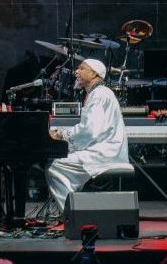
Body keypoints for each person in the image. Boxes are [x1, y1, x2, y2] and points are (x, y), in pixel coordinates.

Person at [46, 58, 129, 211]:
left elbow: (89, 130)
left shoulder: (99, 94)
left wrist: (60, 136)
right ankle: (75, 210)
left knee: (54, 167)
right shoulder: (99, 93)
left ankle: (70, 214)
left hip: (105, 153)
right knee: (60, 163)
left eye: (81, 68)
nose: (76, 72)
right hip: (104, 149)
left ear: (94, 74)